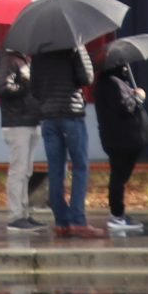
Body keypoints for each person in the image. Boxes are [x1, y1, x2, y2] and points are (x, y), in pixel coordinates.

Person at [30, 37, 97, 237]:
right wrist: (80, 50)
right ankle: (77, 220)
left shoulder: (39, 51)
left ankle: (61, 221)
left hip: (49, 117)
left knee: (56, 169)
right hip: (71, 114)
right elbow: (87, 78)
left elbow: (34, 88)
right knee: (80, 167)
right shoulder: (74, 44)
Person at [94, 43, 148, 235]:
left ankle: (118, 213)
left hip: (118, 138)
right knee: (119, 176)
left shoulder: (108, 83)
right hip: (122, 138)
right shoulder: (112, 84)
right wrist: (139, 97)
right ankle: (117, 215)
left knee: (119, 175)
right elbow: (125, 107)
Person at [0, 47, 43, 230]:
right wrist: (25, 84)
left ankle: (24, 212)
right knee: (18, 170)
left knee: (26, 171)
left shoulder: (25, 60)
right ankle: (16, 215)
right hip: (17, 122)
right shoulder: (9, 60)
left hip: (31, 119)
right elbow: (2, 88)